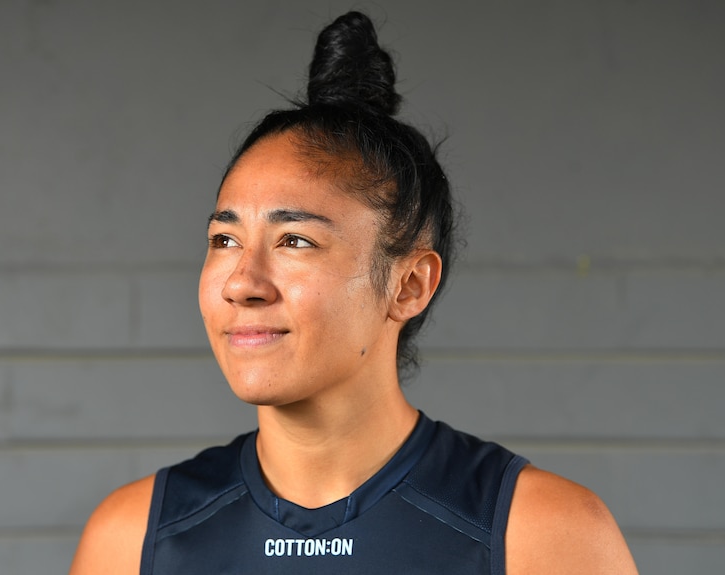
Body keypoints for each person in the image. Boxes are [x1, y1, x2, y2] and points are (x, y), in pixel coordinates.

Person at [70, 11, 638, 575]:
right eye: (224, 239)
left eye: (295, 240)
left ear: (409, 285)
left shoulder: (541, 534)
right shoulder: (134, 536)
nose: (242, 282)